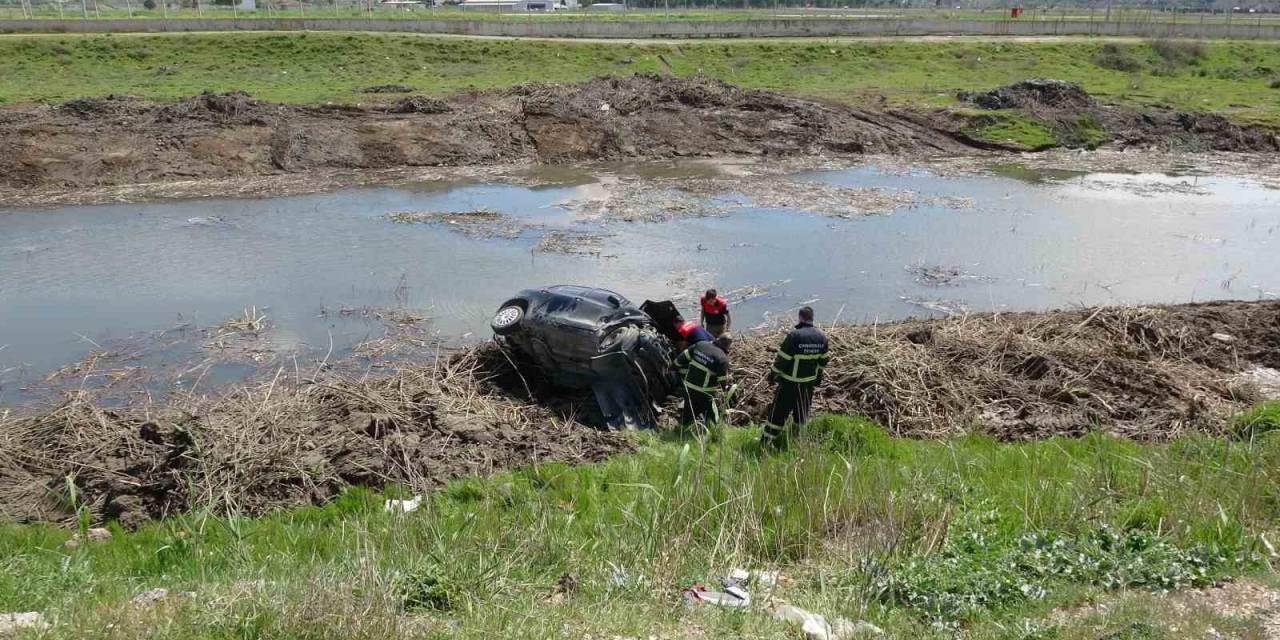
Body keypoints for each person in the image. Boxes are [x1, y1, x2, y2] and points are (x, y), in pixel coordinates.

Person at [761, 306, 829, 449]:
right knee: (802, 412)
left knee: (778, 413)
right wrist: (818, 379)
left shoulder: (795, 336)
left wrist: (772, 375)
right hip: (808, 384)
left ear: (800, 317)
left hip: (789, 384)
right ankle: (796, 441)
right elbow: (823, 362)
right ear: (812, 318)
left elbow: (782, 360)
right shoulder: (822, 337)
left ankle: (765, 442)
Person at [675, 334, 733, 427]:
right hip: (705, 393)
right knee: (712, 417)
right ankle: (715, 433)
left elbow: (681, 359)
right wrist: (728, 395)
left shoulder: (700, 344)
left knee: (688, 415)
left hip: (688, 387)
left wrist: (673, 367)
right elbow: (723, 382)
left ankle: (682, 431)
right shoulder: (722, 359)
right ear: (727, 346)